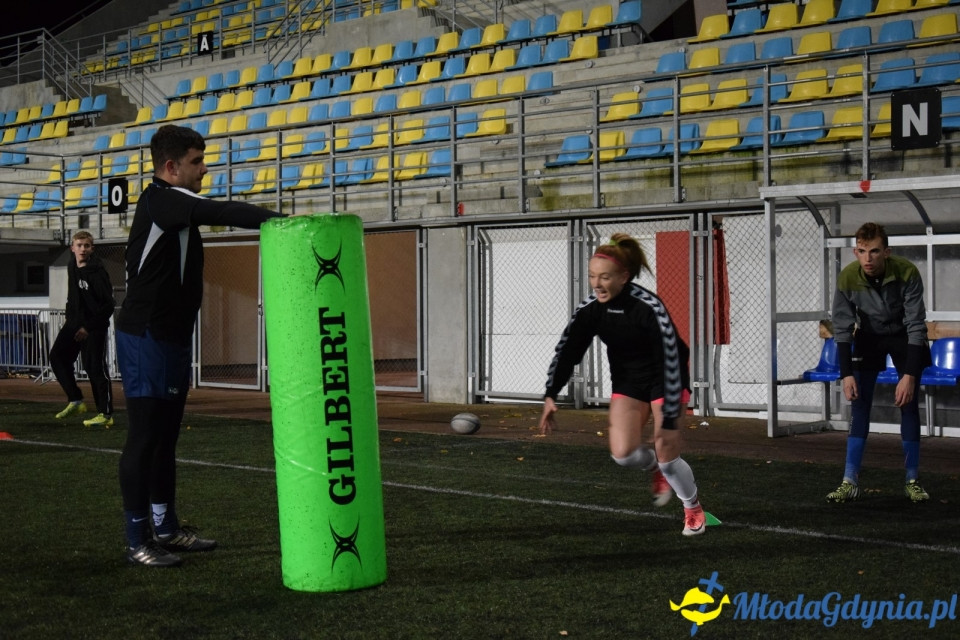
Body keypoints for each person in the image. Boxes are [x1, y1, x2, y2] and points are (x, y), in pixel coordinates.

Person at [116, 124, 284, 567]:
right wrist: (284, 221)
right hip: (145, 334)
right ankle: (138, 541)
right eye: (196, 161)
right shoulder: (162, 199)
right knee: (146, 436)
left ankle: (166, 529)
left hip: (171, 335)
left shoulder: (175, 204)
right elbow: (225, 210)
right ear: (170, 168)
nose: (204, 169)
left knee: (166, 437)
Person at [538, 233, 708, 536]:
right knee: (623, 454)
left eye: (605, 277)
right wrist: (551, 393)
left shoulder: (649, 308)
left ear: (624, 277)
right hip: (628, 381)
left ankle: (692, 508)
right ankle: (655, 467)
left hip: (665, 377)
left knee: (668, 452)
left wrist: (668, 416)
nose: (597, 284)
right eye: (592, 276)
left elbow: (671, 358)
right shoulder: (590, 309)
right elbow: (568, 349)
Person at [826, 222, 931, 504]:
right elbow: (842, 327)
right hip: (870, 337)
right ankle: (849, 481)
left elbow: (916, 325)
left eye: (874, 251)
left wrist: (909, 374)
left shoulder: (907, 272)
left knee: (908, 405)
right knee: (859, 405)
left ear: (887, 252)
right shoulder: (848, 277)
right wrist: (846, 374)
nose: (868, 258)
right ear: (855, 251)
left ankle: (912, 481)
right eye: (862, 251)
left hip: (904, 336)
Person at [49, 230, 116, 427]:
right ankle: (76, 400)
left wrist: (88, 327)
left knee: (94, 368)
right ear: (72, 248)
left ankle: (105, 414)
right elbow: (73, 297)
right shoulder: (72, 266)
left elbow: (108, 305)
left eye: (86, 246)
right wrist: (71, 321)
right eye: (79, 245)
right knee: (57, 357)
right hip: (74, 324)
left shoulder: (97, 272)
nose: (82, 249)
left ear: (92, 248)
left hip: (93, 327)